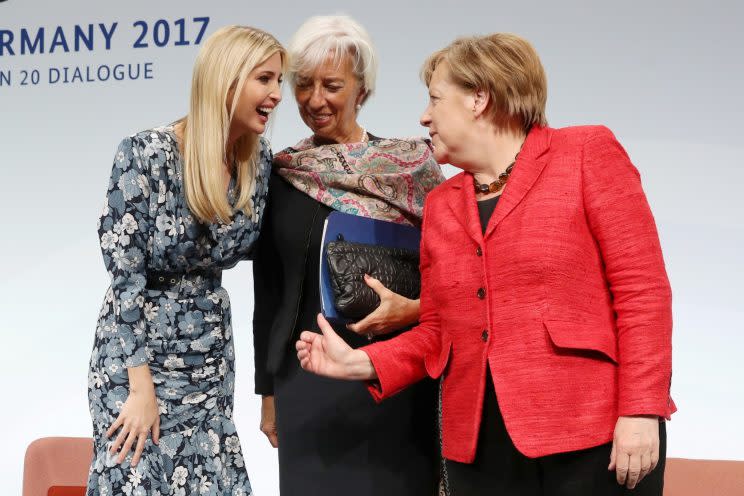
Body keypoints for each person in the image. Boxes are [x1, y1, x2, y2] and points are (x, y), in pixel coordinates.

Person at [296, 33, 675, 496]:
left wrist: (640, 410)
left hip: (589, 435)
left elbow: (642, 292)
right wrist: (361, 364)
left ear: (479, 98)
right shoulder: (442, 203)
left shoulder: (584, 153)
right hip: (478, 448)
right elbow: (439, 330)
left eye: (435, 99)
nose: (424, 116)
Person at [86, 26, 285, 495]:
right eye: (265, 79)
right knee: (136, 477)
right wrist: (140, 389)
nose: (277, 95)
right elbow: (126, 282)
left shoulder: (259, 164)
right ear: (227, 79)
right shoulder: (145, 154)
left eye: (280, 82)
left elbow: (273, 264)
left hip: (209, 356)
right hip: (137, 361)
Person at [252, 15, 445, 496]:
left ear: (362, 90)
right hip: (306, 376)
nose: (315, 100)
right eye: (304, 85)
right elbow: (269, 289)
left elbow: (450, 273)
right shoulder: (282, 172)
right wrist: (268, 392)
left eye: (332, 85)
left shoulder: (410, 167)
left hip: (395, 374)